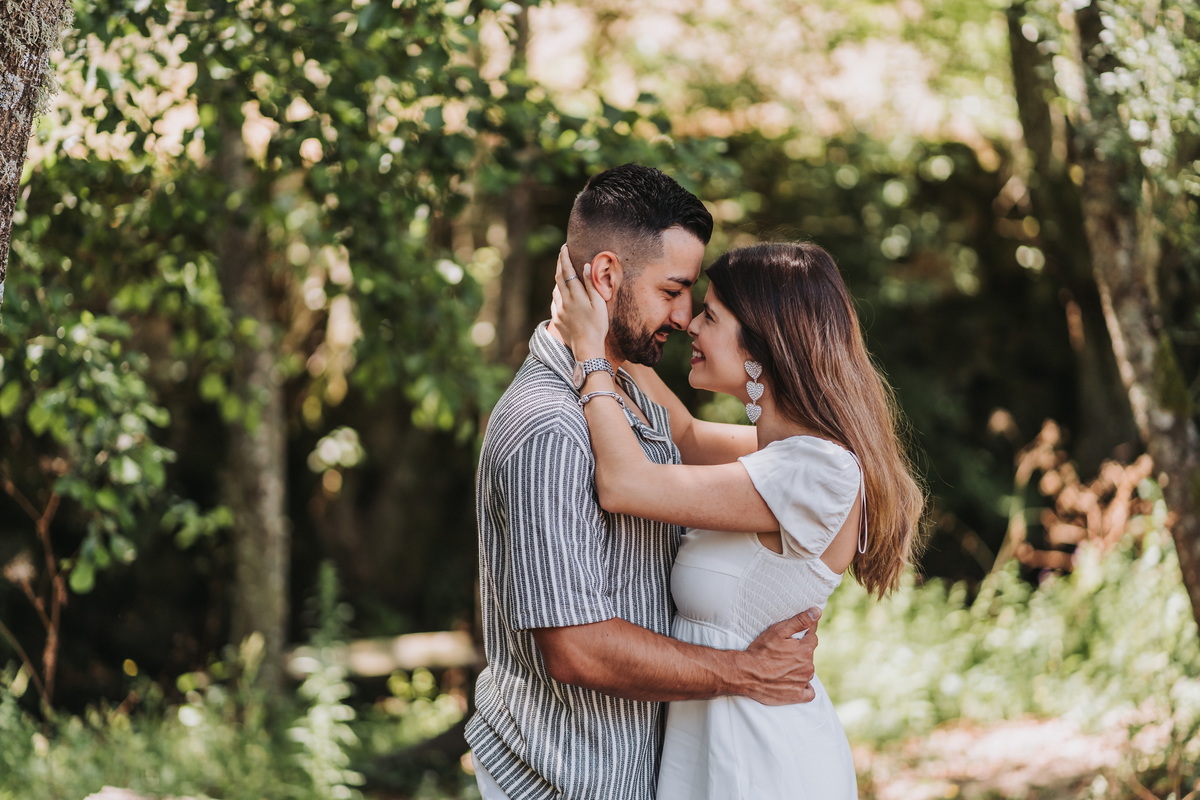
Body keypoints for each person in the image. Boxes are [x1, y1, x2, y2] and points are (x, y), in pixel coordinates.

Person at [466, 165, 824, 800]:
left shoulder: (623, 384)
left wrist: (842, 446)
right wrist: (747, 672)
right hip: (565, 781)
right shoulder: (550, 426)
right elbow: (577, 648)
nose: (686, 315)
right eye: (673, 289)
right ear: (606, 277)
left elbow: (722, 450)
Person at [551, 240, 925, 799]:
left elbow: (625, 483)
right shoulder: (786, 456)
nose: (690, 326)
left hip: (763, 761)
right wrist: (610, 334)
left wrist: (588, 357)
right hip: (718, 747)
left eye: (710, 315)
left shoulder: (816, 471)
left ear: (762, 342)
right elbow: (685, 436)